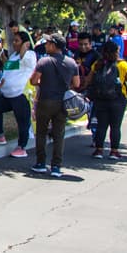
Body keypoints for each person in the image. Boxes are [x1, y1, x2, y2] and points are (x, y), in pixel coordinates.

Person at [29, 34, 79, 177]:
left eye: (48, 42)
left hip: (45, 100)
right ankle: (56, 166)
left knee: (41, 132)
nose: (45, 44)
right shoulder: (71, 63)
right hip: (62, 102)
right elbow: (77, 84)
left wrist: (43, 83)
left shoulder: (44, 61)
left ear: (53, 45)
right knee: (59, 134)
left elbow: (33, 81)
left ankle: (40, 163)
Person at [86, 41, 127, 160]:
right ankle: (114, 151)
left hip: (100, 99)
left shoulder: (98, 63)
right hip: (118, 99)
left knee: (101, 125)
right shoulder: (122, 65)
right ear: (116, 51)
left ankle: (99, 150)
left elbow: (89, 80)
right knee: (115, 126)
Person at [0, 30, 36, 157]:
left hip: (20, 95)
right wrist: (0, 51)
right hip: (7, 95)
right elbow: (7, 67)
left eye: (17, 41)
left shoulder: (30, 55)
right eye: (14, 41)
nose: (14, 43)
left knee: (22, 122)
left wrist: (25, 47)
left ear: (25, 43)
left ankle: (22, 147)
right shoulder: (14, 56)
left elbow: (25, 60)